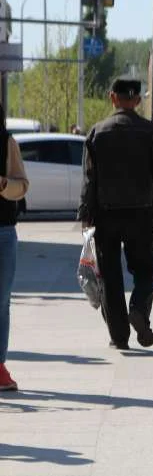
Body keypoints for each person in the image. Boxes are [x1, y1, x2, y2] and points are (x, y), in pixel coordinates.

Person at [78, 79, 153, 350]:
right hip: (141, 213)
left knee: (110, 275)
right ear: (138, 100)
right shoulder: (152, 133)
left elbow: (89, 178)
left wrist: (86, 212)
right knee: (145, 268)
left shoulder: (98, 132)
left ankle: (119, 336)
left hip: (106, 215)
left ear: (112, 98)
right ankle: (139, 309)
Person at [0, 109, 30, 391]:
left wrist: (4, 184)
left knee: (1, 299)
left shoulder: (6, 143)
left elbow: (22, 185)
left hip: (3, 230)